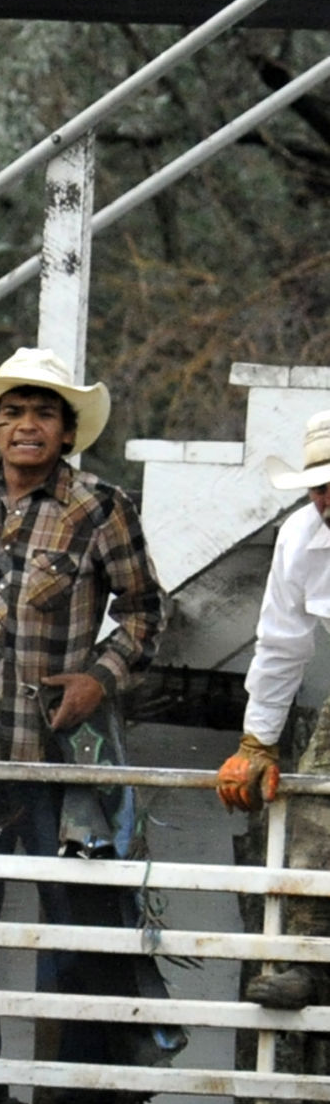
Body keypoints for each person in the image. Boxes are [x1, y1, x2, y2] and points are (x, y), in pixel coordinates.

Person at [0, 347, 180, 1096]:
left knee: (72, 923)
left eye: (42, 415)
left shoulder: (98, 506)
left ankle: (74, 1094)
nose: (25, 427)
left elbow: (143, 612)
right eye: (12, 414)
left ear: (66, 433)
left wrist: (99, 679)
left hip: (59, 751)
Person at [216, 407, 330, 1009]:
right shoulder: (302, 535)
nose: (326, 498)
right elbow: (283, 644)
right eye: (318, 486)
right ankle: (306, 962)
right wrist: (257, 740)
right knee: (312, 816)